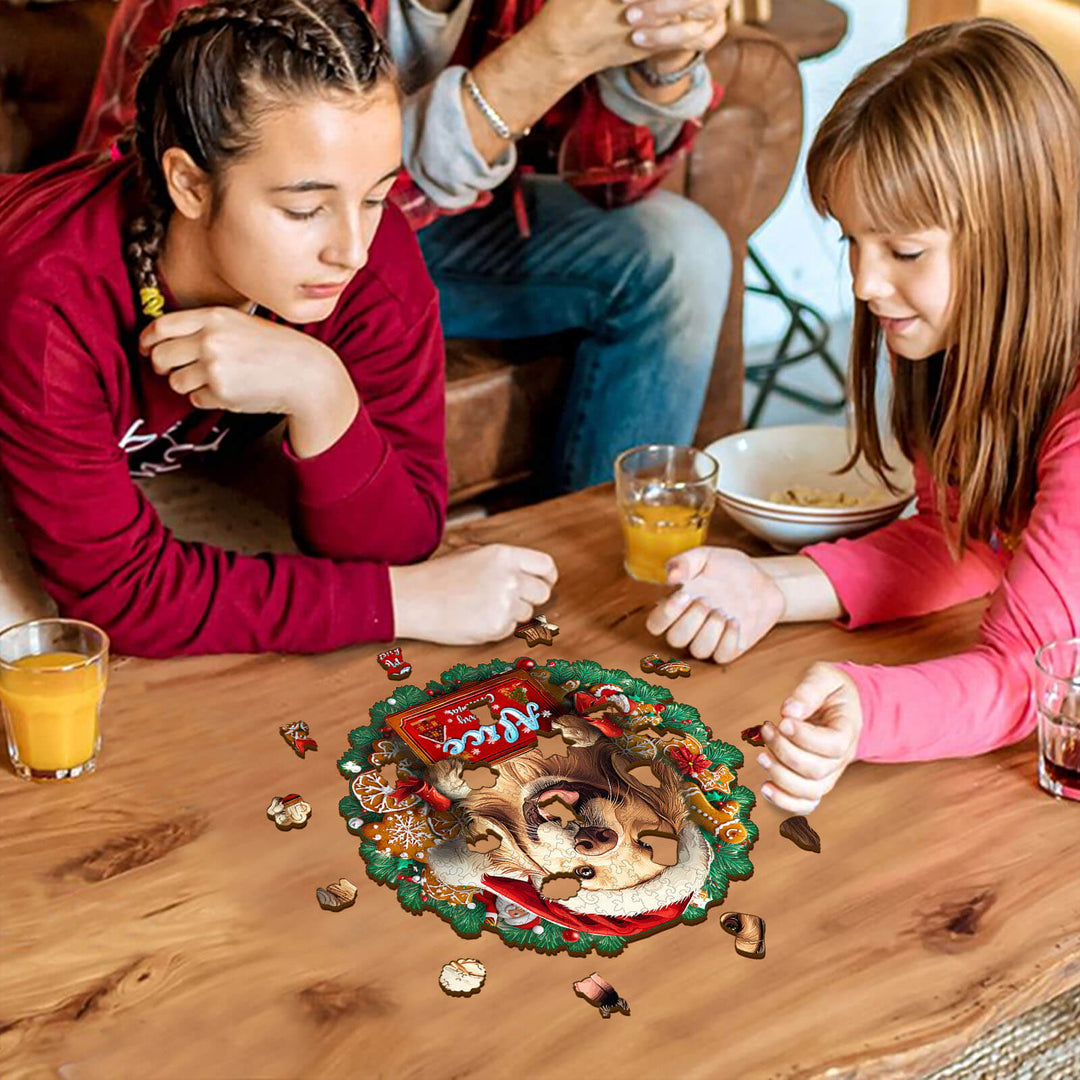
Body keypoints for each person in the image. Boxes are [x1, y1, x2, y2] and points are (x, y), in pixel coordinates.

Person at [0, 0, 557, 656]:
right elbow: (123, 597)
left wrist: (321, 390)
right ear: (189, 185)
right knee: (33, 649)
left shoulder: (371, 255)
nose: (351, 248)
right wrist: (406, 601)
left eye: (374, 196)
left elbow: (402, 537)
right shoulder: (49, 300)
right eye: (305, 209)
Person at [646, 19, 1080, 814]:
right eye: (852, 240)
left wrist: (868, 709)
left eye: (904, 252)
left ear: (1024, 236)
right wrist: (772, 587)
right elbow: (966, 537)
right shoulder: (963, 347)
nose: (862, 283)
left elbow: (1033, 673)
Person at [77, 0, 734, 492]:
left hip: (432, 223)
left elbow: (617, 187)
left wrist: (660, 63)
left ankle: (603, 555)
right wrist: (544, 59)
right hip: (230, 247)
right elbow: (164, 205)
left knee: (680, 251)